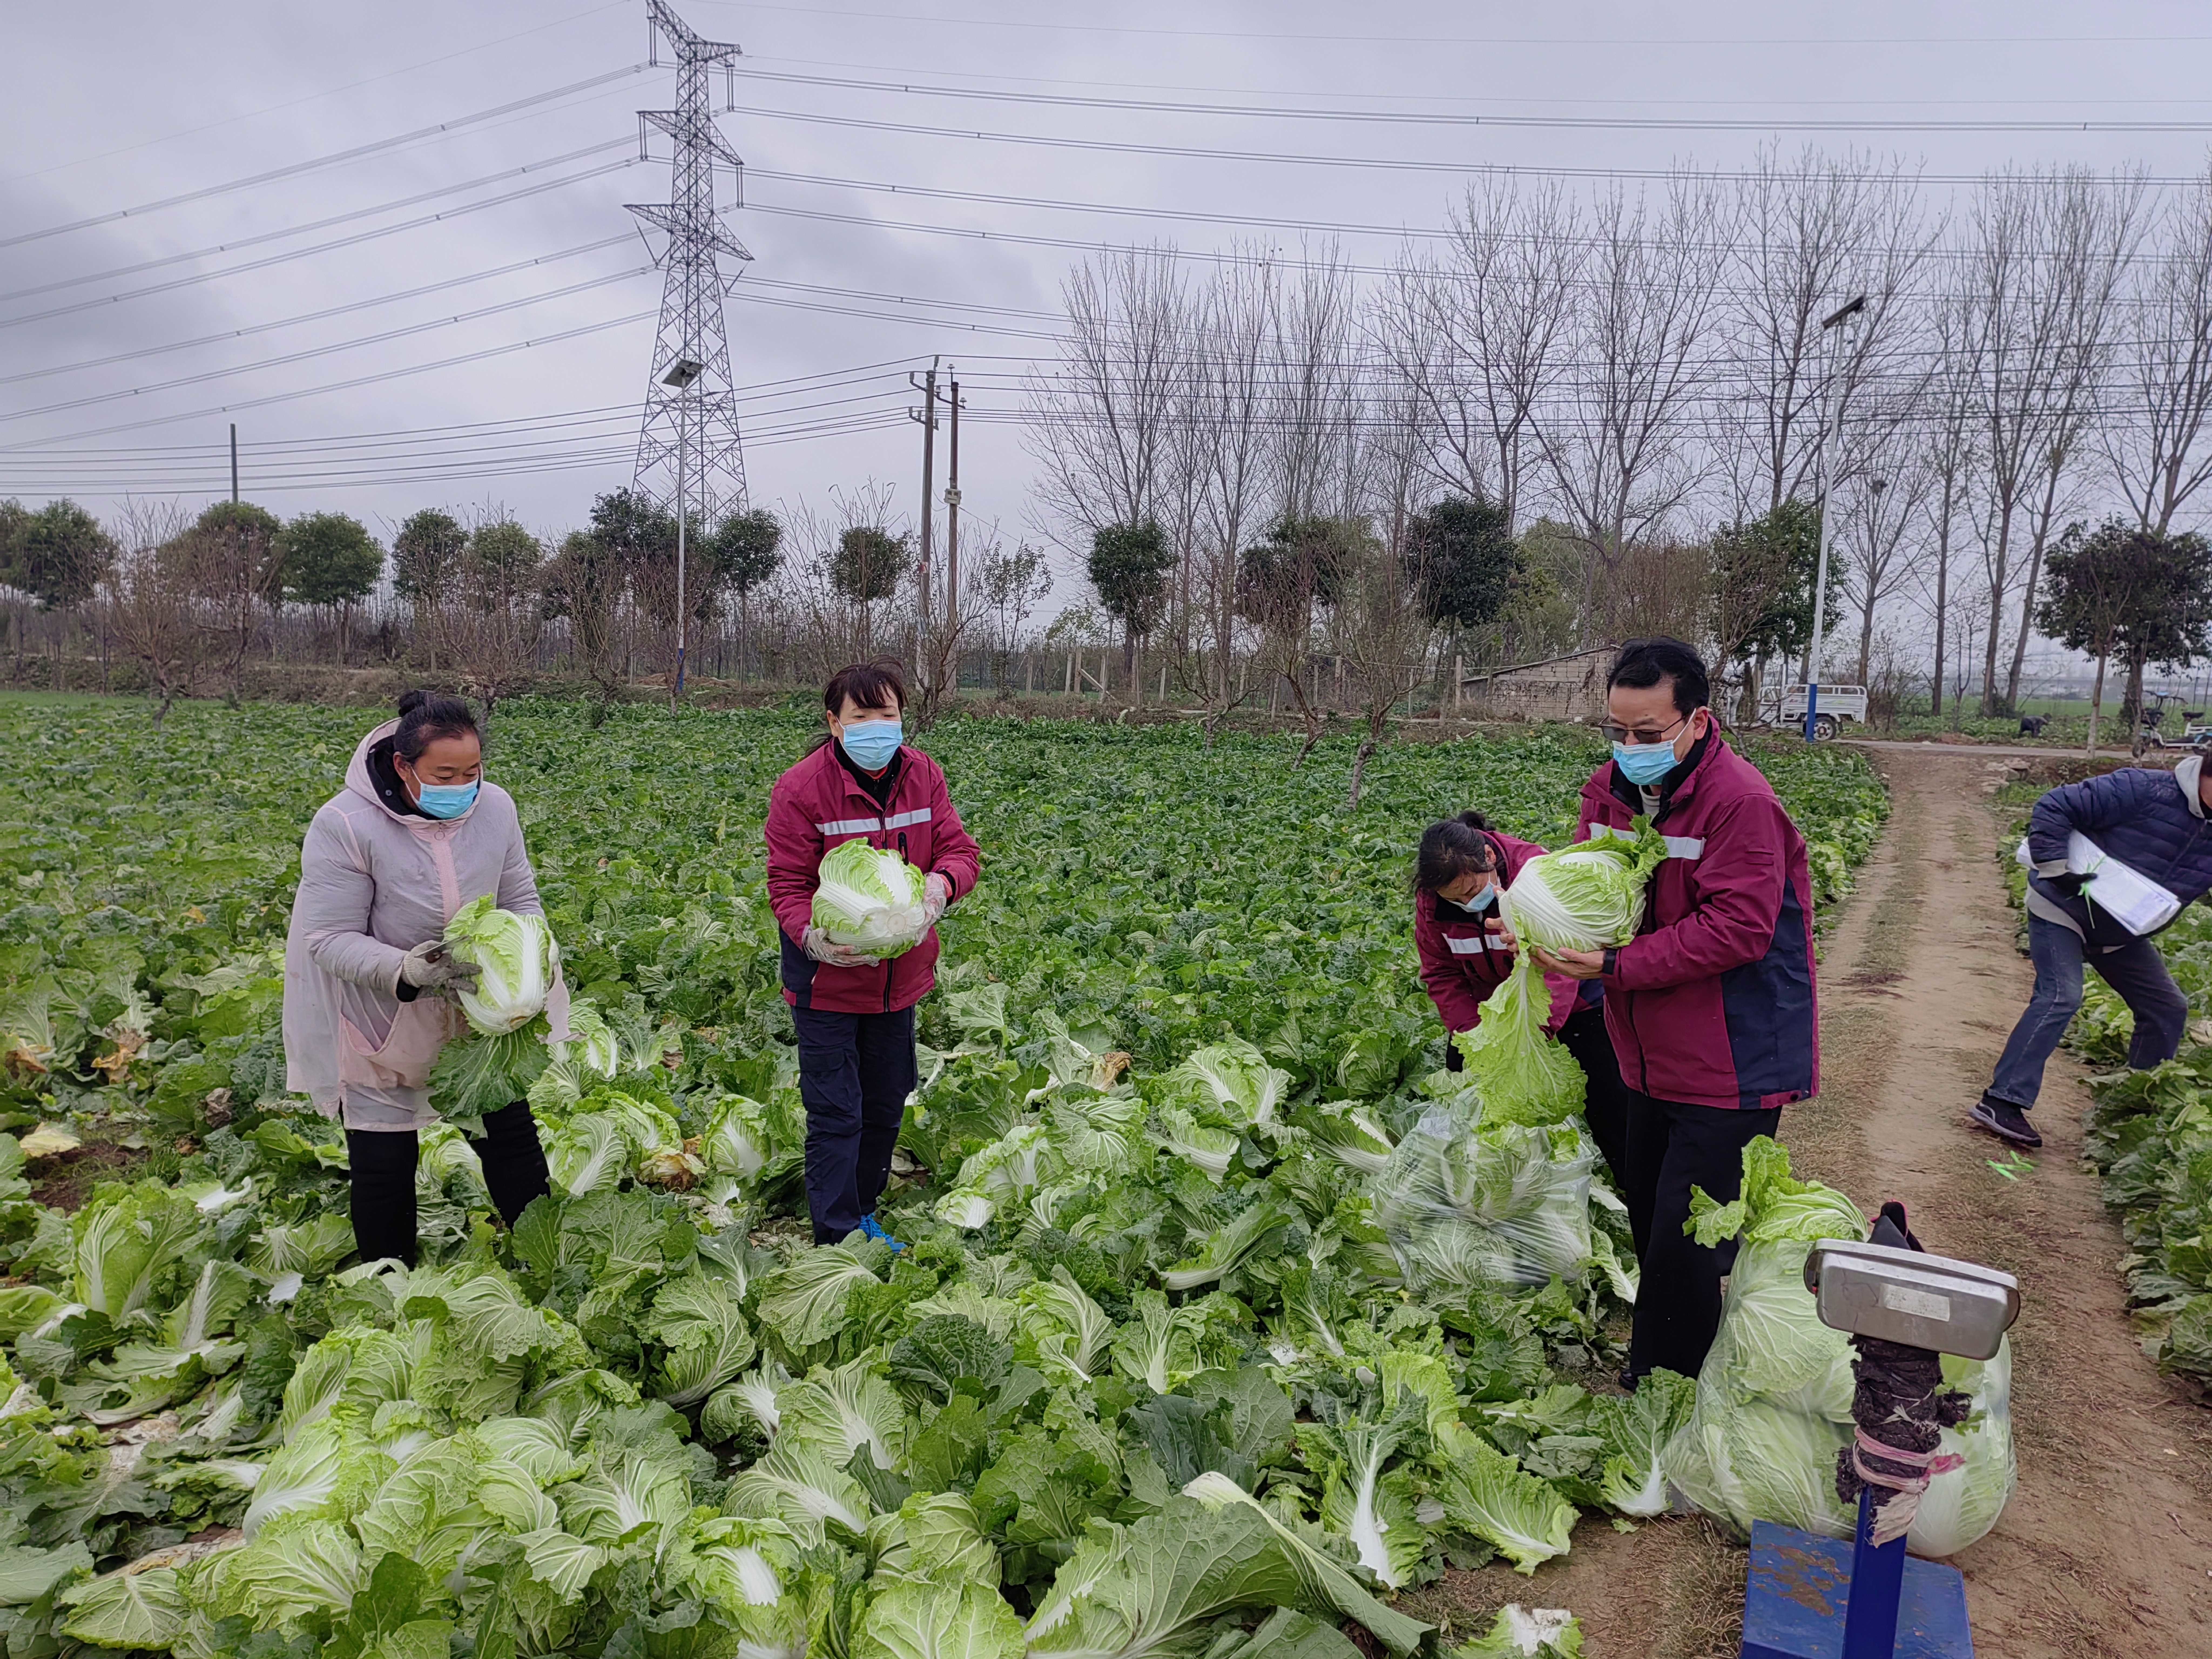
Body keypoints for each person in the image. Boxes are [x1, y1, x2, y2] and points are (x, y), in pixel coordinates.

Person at [1531, 638, 1819, 1384]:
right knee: (1649, 1214)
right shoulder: (1610, 792)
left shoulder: (1742, 803)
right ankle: (1684, 1361)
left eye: (1647, 734)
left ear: (1697, 721)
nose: (1630, 749)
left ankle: (1664, 1394)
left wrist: (1614, 965)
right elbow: (1586, 888)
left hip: (1731, 1060)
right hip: (1646, 1054)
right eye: (1617, 732)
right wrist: (1536, 926)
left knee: (1683, 1244)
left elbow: (1739, 930)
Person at [282, 690, 557, 1269]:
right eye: (445, 774)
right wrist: (404, 970)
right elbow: (328, 937)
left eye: (473, 772)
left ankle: (546, 1260)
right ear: (404, 766)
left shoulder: (496, 809)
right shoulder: (346, 825)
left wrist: (534, 951)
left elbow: (520, 896)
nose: (462, 785)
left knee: (511, 1141)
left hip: (479, 1011)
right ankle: (389, 1280)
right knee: (383, 1160)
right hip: (384, 1014)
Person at [765, 662, 981, 1249]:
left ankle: (862, 1210)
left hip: (899, 978)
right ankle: (835, 1235)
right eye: (862, 717)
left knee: (886, 1104)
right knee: (837, 1112)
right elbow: (786, 881)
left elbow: (959, 850)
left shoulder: (923, 774)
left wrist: (941, 886)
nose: (877, 727)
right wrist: (811, 936)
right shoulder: (801, 788)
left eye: (887, 715)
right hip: (828, 982)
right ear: (834, 724)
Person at [1971, 754, 2212, 1148]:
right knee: (2061, 995)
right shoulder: (2143, 789)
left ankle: (2133, 1109)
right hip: (2062, 908)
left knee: (2168, 1008)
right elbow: (2056, 804)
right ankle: (2002, 1102)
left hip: (2122, 932)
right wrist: (2054, 867)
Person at [1411, 811, 1629, 1184]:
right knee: (1465, 1097)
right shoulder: (1432, 902)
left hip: (1573, 997)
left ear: (1490, 858)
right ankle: (1480, 1187)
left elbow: (1559, 961)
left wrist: (1529, 1035)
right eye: (1455, 899)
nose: (1466, 902)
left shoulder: (1535, 872)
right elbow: (1442, 974)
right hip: (1490, 1008)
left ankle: (1634, 1188)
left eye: (1470, 891)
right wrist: (1476, 1036)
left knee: (1611, 1104)